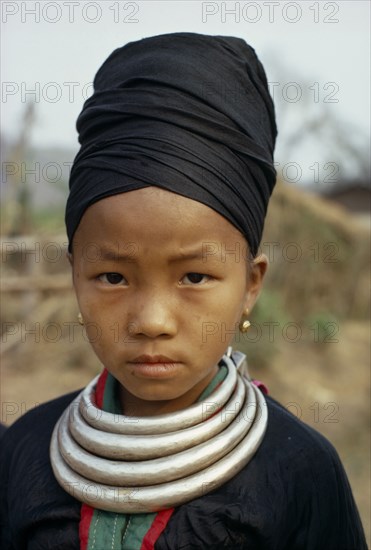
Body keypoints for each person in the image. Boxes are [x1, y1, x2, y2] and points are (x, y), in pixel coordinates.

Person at [0, 32, 367, 550]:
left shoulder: (298, 471)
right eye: (112, 277)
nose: (152, 320)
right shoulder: (25, 451)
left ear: (250, 286)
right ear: (74, 275)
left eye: (194, 277)